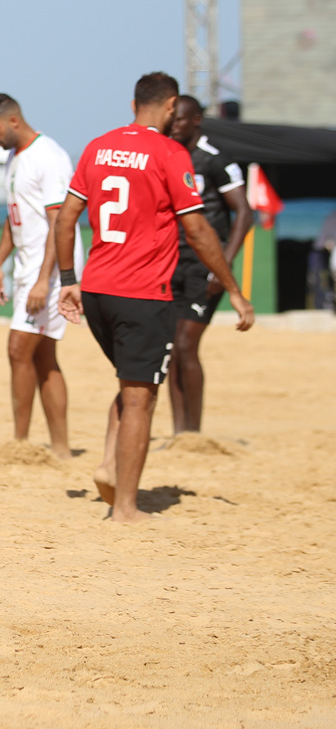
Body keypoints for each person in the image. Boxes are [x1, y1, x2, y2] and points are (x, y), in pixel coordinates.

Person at [55, 72, 254, 524]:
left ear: (132, 105)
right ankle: (125, 507)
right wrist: (236, 290)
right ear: (169, 108)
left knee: (131, 382)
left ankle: (109, 462)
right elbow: (199, 230)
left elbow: (66, 219)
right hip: (142, 292)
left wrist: (68, 278)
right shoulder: (169, 152)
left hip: (97, 289)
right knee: (142, 396)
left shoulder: (97, 146)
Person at [0, 94, 82, 460]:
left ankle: (20, 446)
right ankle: (61, 448)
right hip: (29, 268)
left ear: (13, 121)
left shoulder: (49, 156)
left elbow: (61, 222)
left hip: (51, 271)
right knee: (44, 358)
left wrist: (45, 280)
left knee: (17, 349)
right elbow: (15, 216)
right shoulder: (14, 157)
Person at [166, 95, 253, 434]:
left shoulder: (215, 159)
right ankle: (178, 433)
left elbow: (245, 213)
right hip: (172, 263)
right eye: (172, 119)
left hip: (206, 265)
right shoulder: (168, 156)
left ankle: (194, 433)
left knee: (187, 344)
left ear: (197, 120)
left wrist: (223, 266)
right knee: (170, 348)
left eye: (181, 119)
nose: (174, 125)